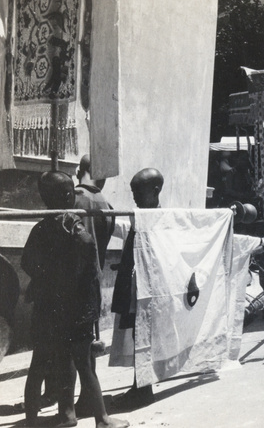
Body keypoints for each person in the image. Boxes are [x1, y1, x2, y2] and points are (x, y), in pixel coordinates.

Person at [22, 171, 128, 428]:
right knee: (83, 363)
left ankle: (39, 419)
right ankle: (102, 420)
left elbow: (26, 262)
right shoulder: (72, 224)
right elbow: (88, 249)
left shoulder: (40, 227)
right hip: (74, 308)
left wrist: (45, 279)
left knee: (41, 363)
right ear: (68, 195)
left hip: (49, 308)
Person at [111, 168, 163, 409]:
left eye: (137, 191)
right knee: (136, 336)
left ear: (155, 191)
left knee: (144, 338)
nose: (133, 196)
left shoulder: (161, 221)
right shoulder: (140, 217)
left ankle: (143, 389)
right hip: (135, 289)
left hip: (150, 292)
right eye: (132, 191)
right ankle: (139, 385)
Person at [73, 154, 115, 417]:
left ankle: (79, 403)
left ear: (80, 170)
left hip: (73, 281)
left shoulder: (75, 196)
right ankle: (88, 398)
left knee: (74, 345)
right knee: (86, 340)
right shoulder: (106, 202)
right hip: (94, 280)